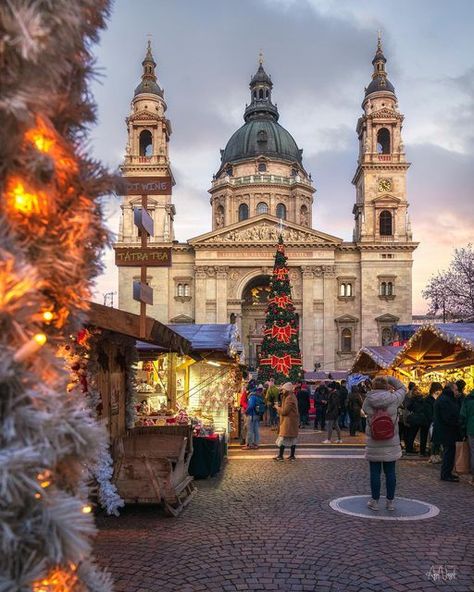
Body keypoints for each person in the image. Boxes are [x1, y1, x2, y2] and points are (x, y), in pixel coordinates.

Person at [363, 375, 407, 511]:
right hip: (391, 441)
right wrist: (389, 378)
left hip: (374, 441)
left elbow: (364, 411)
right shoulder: (394, 399)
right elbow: (403, 388)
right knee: (390, 473)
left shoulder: (368, 400)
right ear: (387, 386)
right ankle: (390, 502)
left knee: (375, 473)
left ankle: (374, 501)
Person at [434, 383, 461, 482]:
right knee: (448, 453)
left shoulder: (446, 398)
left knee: (449, 452)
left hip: (447, 430)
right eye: (456, 389)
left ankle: (447, 473)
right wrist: (457, 422)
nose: (457, 391)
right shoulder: (445, 400)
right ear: (451, 389)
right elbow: (448, 417)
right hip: (447, 431)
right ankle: (445, 474)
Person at [274, 382, 299, 461]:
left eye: (283, 389)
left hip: (288, 422)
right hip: (290, 421)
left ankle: (280, 456)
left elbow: (285, 411)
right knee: (291, 438)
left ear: (287, 390)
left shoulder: (289, 398)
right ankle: (291, 456)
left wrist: (277, 407)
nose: (282, 391)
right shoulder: (290, 396)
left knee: (283, 438)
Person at [404, 386, 426, 454]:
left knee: (411, 435)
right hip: (422, 418)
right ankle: (422, 451)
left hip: (414, 418)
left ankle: (409, 449)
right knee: (423, 436)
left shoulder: (412, 399)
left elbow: (408, 407)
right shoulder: (423, 399)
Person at [425, 382, 442, 462]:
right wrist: (433, 419)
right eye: (438, 390)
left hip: (438, 422)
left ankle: (437, 455)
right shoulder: (428, 399)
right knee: (433, 439)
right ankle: (432, 455)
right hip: (432, 422)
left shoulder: (439, 398)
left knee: (437, 439)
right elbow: (428, 412)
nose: (439, 392)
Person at [460, 387, 474, 482]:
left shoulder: (468, 400)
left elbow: (463, 415)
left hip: (471, 429)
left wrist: (463, 429)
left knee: (473, 452)